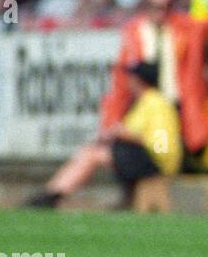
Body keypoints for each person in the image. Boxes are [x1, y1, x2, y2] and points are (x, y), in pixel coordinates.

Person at [25, 61, 181, 209]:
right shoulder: (146, 102)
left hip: (157, 162)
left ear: (140, 80)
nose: (129, 81)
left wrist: (122, 134)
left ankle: (53, 194)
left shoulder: (156, 104)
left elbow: (161, 145)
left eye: (132, 77)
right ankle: (54, 193)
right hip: (150, 159)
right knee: (95, 151)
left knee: (93, 154)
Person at [99, 0, 208, 161]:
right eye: (154, 6)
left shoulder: (180, 28)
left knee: (161, 150)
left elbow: (207, 23)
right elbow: (121, 78)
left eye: (166, 6)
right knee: (147, 146)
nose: (160, 11)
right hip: (144, 102)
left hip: (167, 101)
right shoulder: (135, 32)